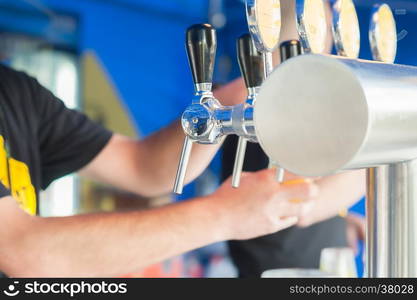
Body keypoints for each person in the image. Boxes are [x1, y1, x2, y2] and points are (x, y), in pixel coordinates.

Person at [0, 62, 320, 277]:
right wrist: (223, 216)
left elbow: (141, 166)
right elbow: (20, 250)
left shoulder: (15, 92)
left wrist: (233, 98)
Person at [221, 0, 366, 277]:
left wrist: (340, 222)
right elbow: (301, 203)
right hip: (283, 271)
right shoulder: (266, 98)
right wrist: (376, 161)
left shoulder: (286, 95)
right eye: (322, 29)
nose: (331, 45)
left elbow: (310, 182)